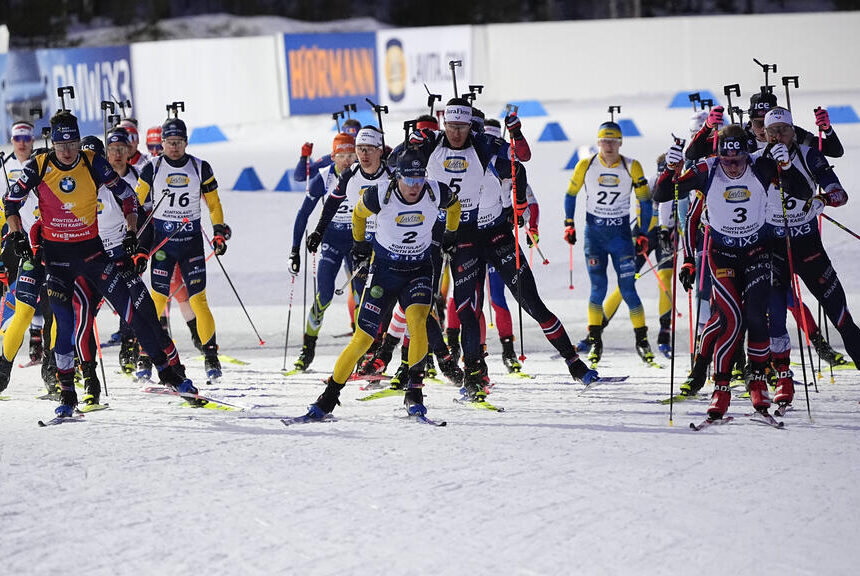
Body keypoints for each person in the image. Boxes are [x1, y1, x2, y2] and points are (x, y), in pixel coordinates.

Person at [3, 109, 196, 415]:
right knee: (65, 325)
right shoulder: (39, 164)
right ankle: (68, 393)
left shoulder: (93, 162)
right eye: (61, 144)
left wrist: (133, 233)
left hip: (94, 255)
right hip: (58, 261)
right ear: (52, 143)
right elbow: (10, 202)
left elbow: (129, 197)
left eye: (72, 143)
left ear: (80, 142)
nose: (67, 151)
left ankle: (170, 374)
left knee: (134, 313)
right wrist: (17, 235)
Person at [412, 98, 594, 400]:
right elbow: (404, 165)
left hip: (496, 236)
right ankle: (472, 372)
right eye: (453, 126)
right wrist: (414, 143)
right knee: (466, 307)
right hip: (464, 237)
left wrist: (518, 204)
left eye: (466, 127)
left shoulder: (487, 150)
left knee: (532, 302)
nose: (459, 134)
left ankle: (574, 362)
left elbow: (521, 163)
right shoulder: (439, 146)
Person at [655, 124, 811, 422]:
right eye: (727, 160)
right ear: (719, 154)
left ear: (747, 153)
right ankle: (721, 387)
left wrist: (788, 166)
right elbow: (663, 193)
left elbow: (802, 192)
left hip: (756, 249)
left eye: (739, 159)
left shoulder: (761, 165)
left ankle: (757, 381)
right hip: (721, 253)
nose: (734, 165)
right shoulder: (706, 169)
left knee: (757, 314)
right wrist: (671, 169)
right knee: (730, 319)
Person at [301, 148, 460, 419]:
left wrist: (450, 236)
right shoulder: (381, 194)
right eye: (409, 180)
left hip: (418, 269)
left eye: (419, 179)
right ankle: (328, 398)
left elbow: (454, 206)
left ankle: (414, 391)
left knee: (418, 322)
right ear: (397, 177)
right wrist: (360, 245)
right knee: (363, 338)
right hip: (384, 271)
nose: (414, 186)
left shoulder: (436, 191)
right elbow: (358, 215)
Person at [759, 107, 860, 409]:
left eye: (784, 130)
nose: (778, 136)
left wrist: (823, 199)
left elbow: (840, 193)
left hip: (807, 245)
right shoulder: (758, 159)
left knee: (839, 313)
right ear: (764, 133)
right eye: (772, 131)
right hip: (773, 246)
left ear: (793, 131)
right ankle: (783, 382)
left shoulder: (808, 154)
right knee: (775, 318)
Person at [134, 116, 230, 382]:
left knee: (198, 299)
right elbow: (135, 203)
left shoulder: (200, 167)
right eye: (169, 142)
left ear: (186, 142)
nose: (174, 147)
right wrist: (134, 239)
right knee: (156, 301)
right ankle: (145, 356)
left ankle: (211, 356)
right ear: (161, 143)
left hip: (191, 245)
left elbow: (213, 204)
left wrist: (219, 231)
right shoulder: (151, 168)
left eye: (178, 142)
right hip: (163, 245)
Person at [564, 120, 654, 366]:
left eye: (614, 141)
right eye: (605, 141)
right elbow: (570, 194)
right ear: (598, 142)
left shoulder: (632, 166)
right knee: (598, 289)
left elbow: (645, 201)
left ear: (621, 142)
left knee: (628, 289)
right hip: (595, 236)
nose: (609, 146)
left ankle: (642, 340)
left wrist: (643, 232)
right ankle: (595, 341)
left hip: (621, 237)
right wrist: (568, 223)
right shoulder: (587, 164)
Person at [300, 128, 390, 370]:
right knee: (325, 295)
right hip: (332, 240)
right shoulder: (332, 174)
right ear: (333, 156)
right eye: (344, 154)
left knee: (366, 297)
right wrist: (315, 233)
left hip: (359, 241)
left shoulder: (385, 171)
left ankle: (368, 353)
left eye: (353, 153)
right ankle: (308, 346)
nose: (350, 158)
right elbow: (312, 209)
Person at [0, 120, 44, 393]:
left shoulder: (43, 165)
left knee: (46, 300)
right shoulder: (4, 168)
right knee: (16, 299)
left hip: (44, 242)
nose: (23, 142)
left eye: (27, 137)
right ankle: (6, 356)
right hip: (16, 241)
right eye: (18, 137)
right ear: (13, 140)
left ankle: (39, 345)